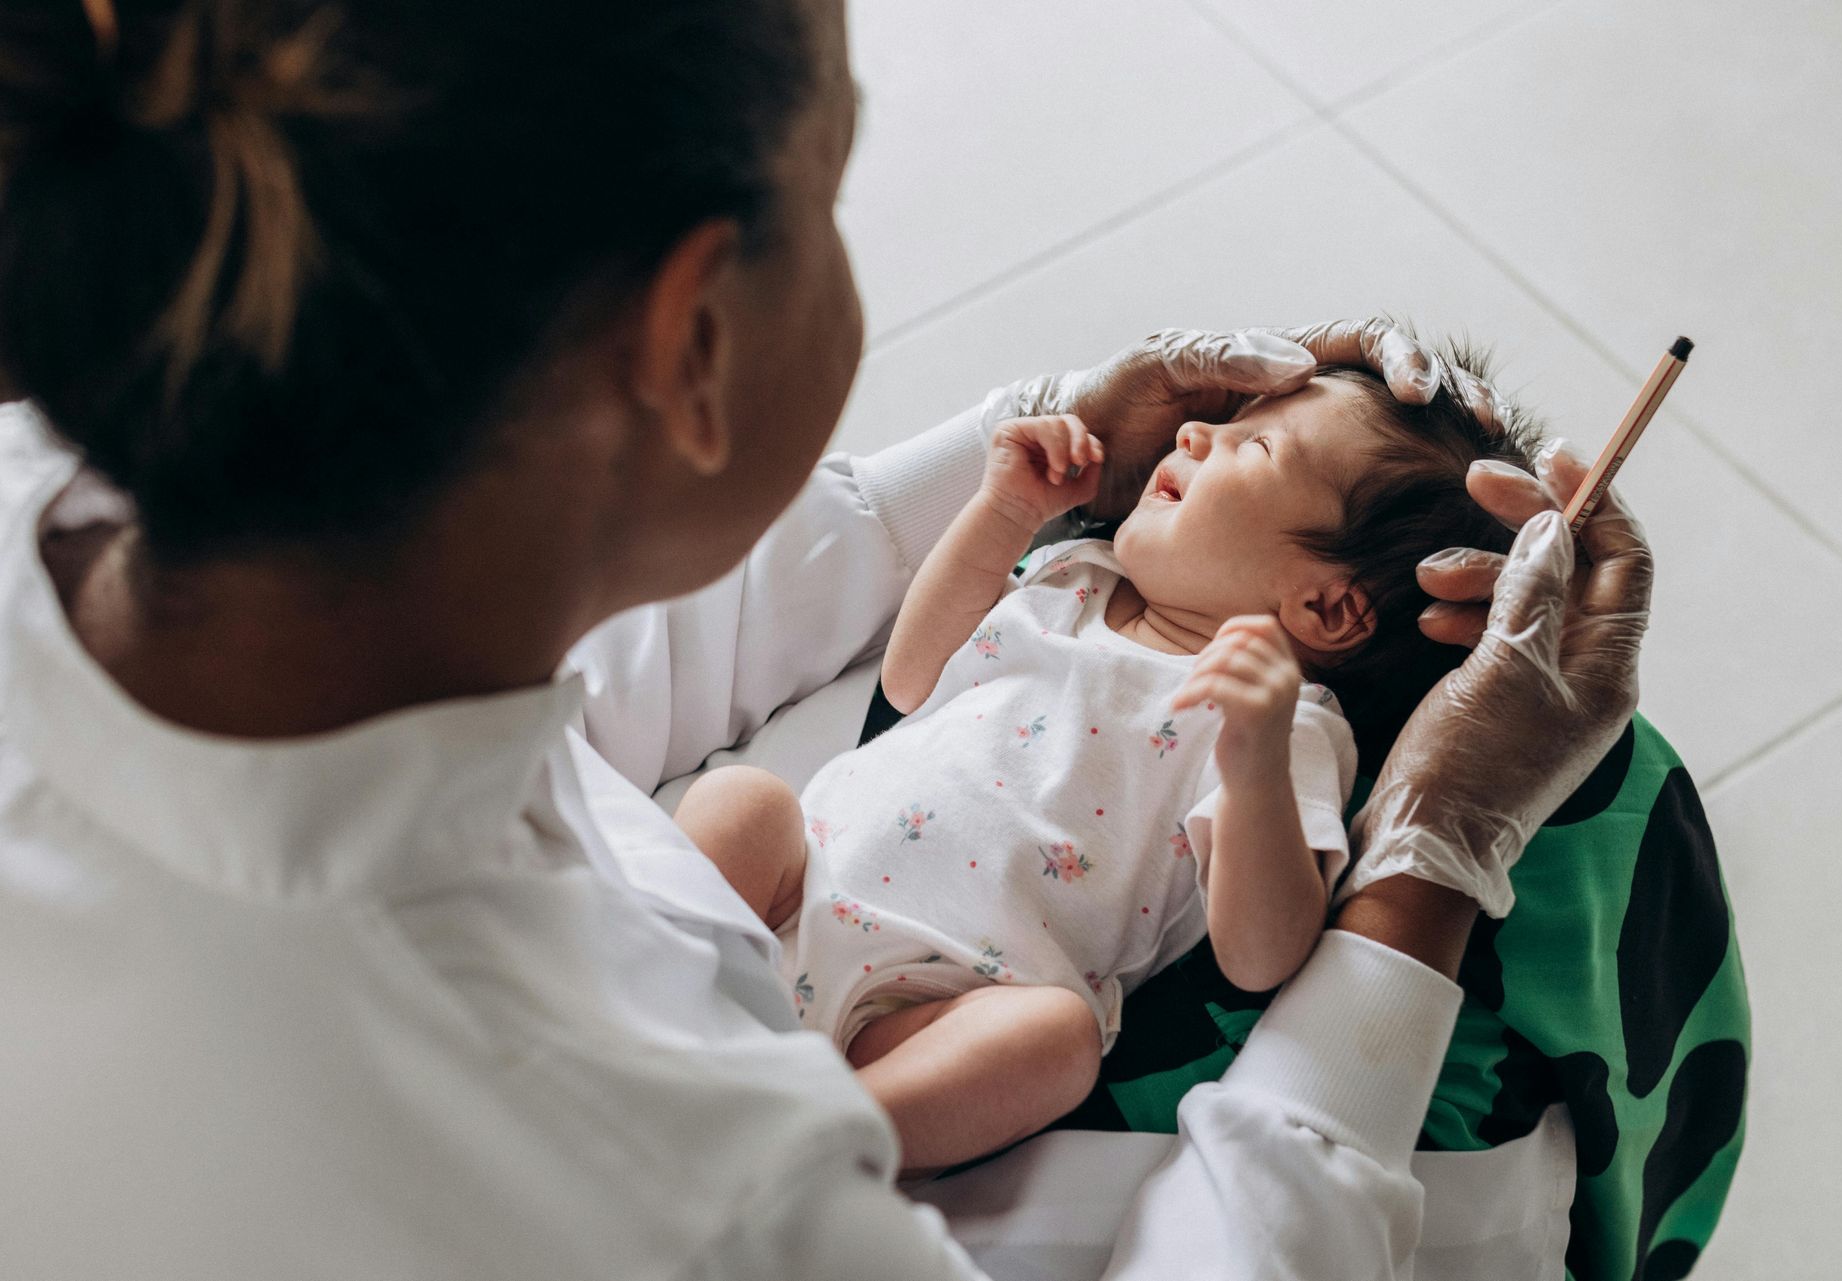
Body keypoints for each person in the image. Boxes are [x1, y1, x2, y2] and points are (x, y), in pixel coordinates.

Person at [0, 2, 1653, 1278]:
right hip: (855, 1043)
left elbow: (591, 654)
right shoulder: (675, 1196)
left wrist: (1033, 458)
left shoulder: (83, 512)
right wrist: (1435, 855)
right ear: (693, 333)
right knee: (1498, 1205)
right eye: (829, 194)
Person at [673, 360, 1540, 1172]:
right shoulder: (1076, 575)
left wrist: (1253, 765)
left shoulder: (1286, 727)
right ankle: (645, 976)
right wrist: (1003, 511)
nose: (1198, 434)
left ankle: (810, 1143)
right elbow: (911, 679)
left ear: (1324, 603)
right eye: (1225, 421)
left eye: (1255, 445)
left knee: (1056, 1043)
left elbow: (1261, 956)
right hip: (799, 885)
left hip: (933, 1005)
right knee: (742, 803)